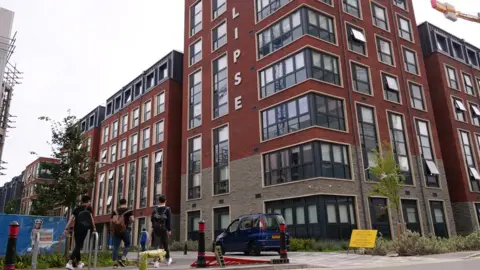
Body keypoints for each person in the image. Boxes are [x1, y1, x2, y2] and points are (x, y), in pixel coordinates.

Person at [64, 195, 95, 270]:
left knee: (77, 245)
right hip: (84, 229)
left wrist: (66, 228)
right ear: (87, 201)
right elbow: (91, 218)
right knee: (78, 246)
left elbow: (71, 218)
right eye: (89, 201)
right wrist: (94, 227)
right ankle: (70, 263)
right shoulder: (88, 208)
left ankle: (79, 263)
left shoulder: (77, 209)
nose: (90, 203)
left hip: (76, 229)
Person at [110, 198, 133, 269]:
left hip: (116, 231)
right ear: (126, 203)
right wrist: (129, 222)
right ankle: (123, 258)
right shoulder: (129, 210)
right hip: (125, 229)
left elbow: (112, 221)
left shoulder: (115, 211)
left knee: (115, 247)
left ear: (119, 204)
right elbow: (132, 219)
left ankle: (114, 264)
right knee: (127, 244)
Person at [150, 195, 172, 267]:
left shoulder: (154, 210)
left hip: (156, 230)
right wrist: (169, 230)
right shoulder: (167, 209)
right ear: (165, 201)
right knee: (165, 245)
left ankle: (156, 262)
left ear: (159, 201)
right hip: (164, 229)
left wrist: (153, 229)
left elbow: (152, 220)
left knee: (156, 246)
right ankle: (167, 259)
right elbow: (169, 220)